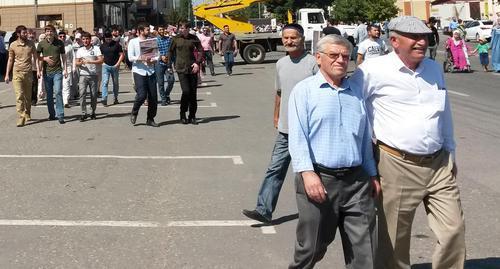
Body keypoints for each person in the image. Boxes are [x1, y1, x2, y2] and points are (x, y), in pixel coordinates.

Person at [350, 16, 466, 269]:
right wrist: (367, 166)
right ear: (394, 41)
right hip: (396, 164)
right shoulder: (372, 71)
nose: (421, 42)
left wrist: (451, 151)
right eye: (414, 37)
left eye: (424, 37)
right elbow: (352, 110)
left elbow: (443, 111)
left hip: (438, 164)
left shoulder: (433, 69)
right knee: (394, 242)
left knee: (453, 230)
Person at [288, 34, 380, 269]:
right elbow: (298, 137)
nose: (340, 60)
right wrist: (307, 174)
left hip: (356, 181)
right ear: (318, 58)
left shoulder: (356, 92)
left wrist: (371, 173)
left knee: (365, 251)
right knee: (311, 248)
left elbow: (364, 137)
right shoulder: (304, 91)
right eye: (334, 55)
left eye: (345, 56)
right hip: (319, 179)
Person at [242, 24, 318, 223]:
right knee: (275, 169)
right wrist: (276, 115)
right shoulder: (281, 63)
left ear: (302, 38)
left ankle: (319, 212)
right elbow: (279, 92)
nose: (289, 41)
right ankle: (263, 209)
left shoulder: (313, 63)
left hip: (309, 130)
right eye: (286, 38)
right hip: (286, 129)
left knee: (310, 173)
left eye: (293, 38)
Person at [168, 21, 203, 125]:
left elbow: (200, 50)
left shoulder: (194, 38)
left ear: (188, 29)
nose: (181, 30)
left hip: (192, 67)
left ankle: (192, 116)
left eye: (184, 28)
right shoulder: (175, 39)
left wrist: (197, 63)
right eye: (180, 28)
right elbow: (170, 51)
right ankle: (182, 113)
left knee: (193, 93)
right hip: (181, 68)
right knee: (186, 91)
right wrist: (169, 65)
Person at [4, 25, 39, 127]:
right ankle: (21, 116)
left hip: (28, 73)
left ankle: (27, 112)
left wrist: (38, 70)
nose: (26, 34)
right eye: (24, 33)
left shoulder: (31, 44)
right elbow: (10, 60)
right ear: (18, 34)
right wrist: (7, 74)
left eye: (26, 33)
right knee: (19, 96)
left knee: (28, 96)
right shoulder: (13, 45)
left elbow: (36, 57)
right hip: (17, 73)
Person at [128, 24, 159, 127]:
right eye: (147, 30)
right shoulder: (133, 41)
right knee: (141, 95)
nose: (149, 31)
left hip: (150, 71)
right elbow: (130, 57)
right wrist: (141, 58)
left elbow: (157, 56)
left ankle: (150, 118)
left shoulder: (151, 41)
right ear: (141, 31)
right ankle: (134, 111)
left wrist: (153, 60)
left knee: (153, 97)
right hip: (139, 71)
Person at [37, 24, 68, 124]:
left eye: (51, 31)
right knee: (49, 95)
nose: (49, 33)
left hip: (58, 71)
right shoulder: (41, 44)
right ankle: (51, 114)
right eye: (47, 31)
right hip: (47, 73)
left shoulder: (59, 43)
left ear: (54, 32)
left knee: (58, 92)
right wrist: (42, 63)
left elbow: (63, 57)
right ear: (45, 33)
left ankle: (61, 115)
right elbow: (37, 57)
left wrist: (65, 69)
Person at [75, 32, 103, 121]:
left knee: (93, 95)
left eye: (87, 39)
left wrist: (91, 62)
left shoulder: (96, 49)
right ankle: (84, 113)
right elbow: (76, 63)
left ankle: (93, 112)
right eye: (83, 39)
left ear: (90, 40)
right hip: (83, 75)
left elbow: (101, 60)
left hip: (93, 75)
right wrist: (81, 63)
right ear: (82, 40)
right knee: (82, 94)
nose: (85, 41)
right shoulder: (80, 50)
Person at [100, 31, 124, 106]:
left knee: (115, 83)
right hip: (105, 66)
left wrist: (118, 64)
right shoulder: (102, 46)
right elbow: (101, 55)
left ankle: (115, 97)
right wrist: (102, 62)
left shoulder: (117, 44)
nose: (108, 39)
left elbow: (121, 55)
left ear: (111, 37)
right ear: (105, 38)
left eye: (109, 38)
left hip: (115, 66)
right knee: (105, 82)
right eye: (107, 38)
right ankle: (104, 98)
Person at [156, 24, 175, 106]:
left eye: (163, 29)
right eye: (160, 30)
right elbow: (153, 52)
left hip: (168, 64)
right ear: (157, 31)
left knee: (171, 80)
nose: (162, 31)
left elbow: (173, 51)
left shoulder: (169, 39)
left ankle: (167, 94)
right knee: (160, 83)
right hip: (159, 64)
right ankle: (163, 99)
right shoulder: (154, 40)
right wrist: (161, 57)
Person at [58, 31, 74, 108]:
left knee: (66, 84)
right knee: (58, 86)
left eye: (63, 36)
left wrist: (73, 67)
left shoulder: (69, 46)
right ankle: (59, 100)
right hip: (57, 67)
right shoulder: (56, 46)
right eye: (60, 36)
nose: (62, 38)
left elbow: (73, 57)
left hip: (67, 67)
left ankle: (65, 101)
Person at [27, 29, 39, 106]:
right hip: (26, 68)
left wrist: (39, 69)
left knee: (34, 84)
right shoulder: (26, 44)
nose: (31, 36)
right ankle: (28, 98)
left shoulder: (38, 45)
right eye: (29, 34)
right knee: (27, 84)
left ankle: (33, 100)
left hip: (35, 67)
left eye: (32, 34)